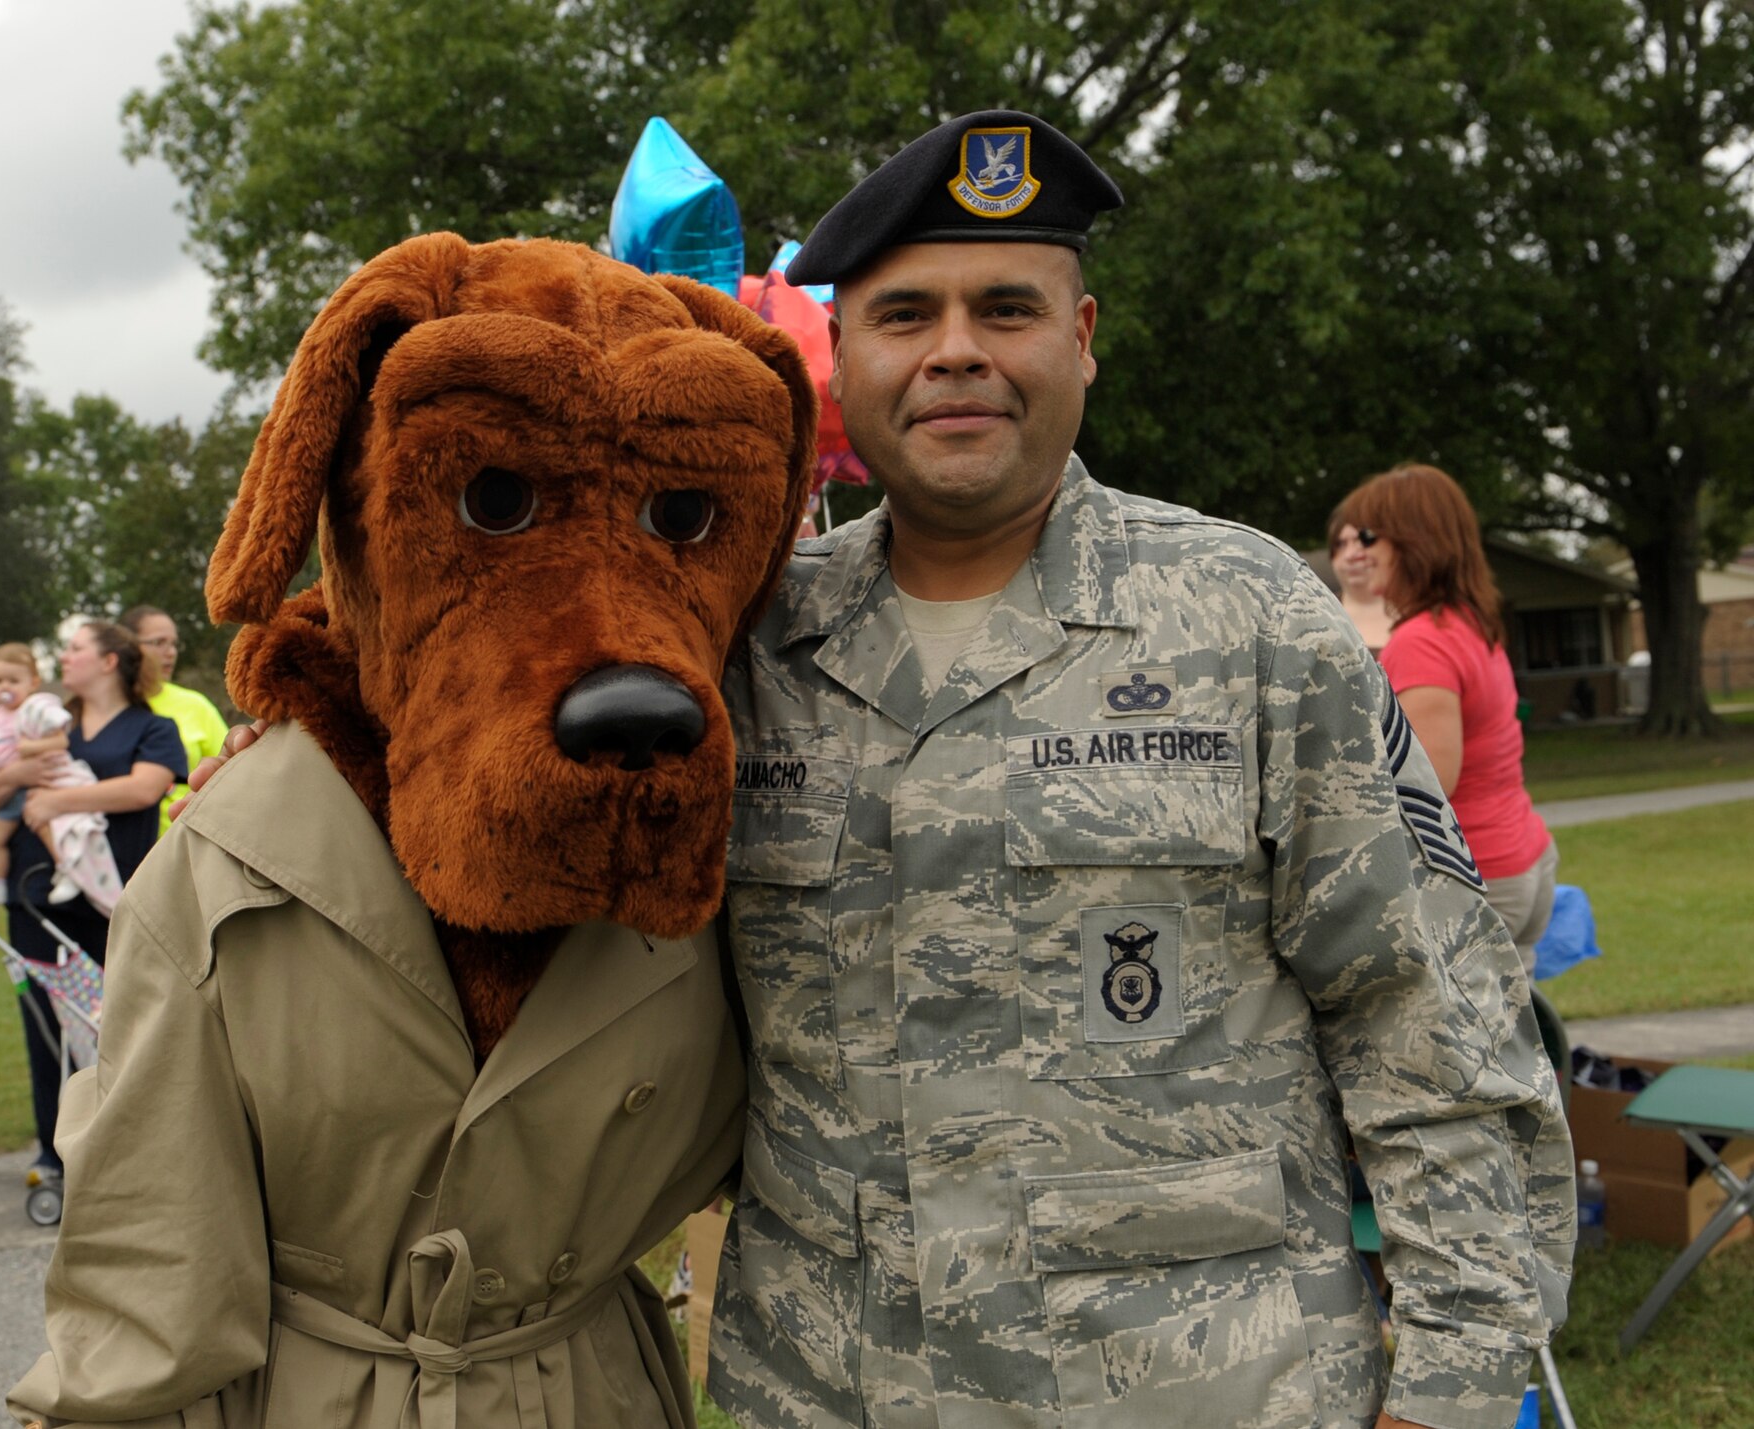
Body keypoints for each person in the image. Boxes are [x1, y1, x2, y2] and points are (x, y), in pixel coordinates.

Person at [184, 112, 1573, 1428]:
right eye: (907, 316)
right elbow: (487, 719)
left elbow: (1433, 1025)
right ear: (835, 357)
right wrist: (306, 758)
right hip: (836, 1387)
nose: (957, 353)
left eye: (1007, 310)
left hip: (1204, 1383)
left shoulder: (1253, 622)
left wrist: (1451, 1385)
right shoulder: (740, 639)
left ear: (1083, 341)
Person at [0, 620, 184, 1176]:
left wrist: (55, 804)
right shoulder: (41, 721)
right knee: (46, 1030)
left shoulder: (152, 728)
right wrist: (18, 773)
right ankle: (55, 1154)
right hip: (36, 903)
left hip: (117, 909)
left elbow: (144, 788)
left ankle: (131, 1153)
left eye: (74, 648)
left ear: (109, 661)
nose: (63, 657)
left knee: (123, 1029)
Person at [1338, 464, 1560, 976]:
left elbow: (1425, 786)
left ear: (1412, 541)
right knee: (1517, 1046)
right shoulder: (1468, 620)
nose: (1356, 551)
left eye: (1369, 536)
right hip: (1523, 858)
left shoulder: (1423, 642)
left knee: (1463, 1052)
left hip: (1478, 878)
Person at [0, 643, 72, 906]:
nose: (5, 687)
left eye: (14, 681)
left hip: (35, 786)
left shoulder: (36, 711)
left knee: (44, 826)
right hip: (7, 791)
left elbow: (60, 741)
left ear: (33, 683)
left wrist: (30, 747)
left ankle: (66, 868)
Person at [117, 605, 226, 834]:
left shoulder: (196, 706)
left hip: (181, 844)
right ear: (127, 647)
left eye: (174, 644)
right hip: (115, 852)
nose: (171, 652)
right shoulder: (108, 707)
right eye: (159, 643)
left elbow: (232, 774)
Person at [1330, 514, 1395, 652]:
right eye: (1340, 544)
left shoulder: (1421, 611)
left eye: (1362, 541)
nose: (1350, 555)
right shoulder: (1316, 615)